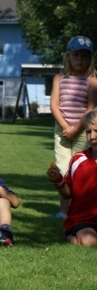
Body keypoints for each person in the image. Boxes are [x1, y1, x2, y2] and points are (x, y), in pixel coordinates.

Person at [50, 35, 97, 218]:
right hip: (62, 131)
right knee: (63, 170)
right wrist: (65, 127)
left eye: (84, 56)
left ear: (90, 59)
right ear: (68, 56)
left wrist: (76, 129)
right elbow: (54, 105)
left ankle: (80, 208)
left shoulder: (92, 81)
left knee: (80, 170)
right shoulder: (59, 78)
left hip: (84, 131)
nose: (80, 59)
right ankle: (64, 211)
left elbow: (91, 108)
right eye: (76, 55)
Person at [47, 108, 97, 246]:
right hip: (83, 219)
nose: (92, 136)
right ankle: (70, 235)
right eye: (88, 132)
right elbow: (68, 193)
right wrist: (58, 180)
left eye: (96, 131)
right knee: (90, 241)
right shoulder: (78, 160)